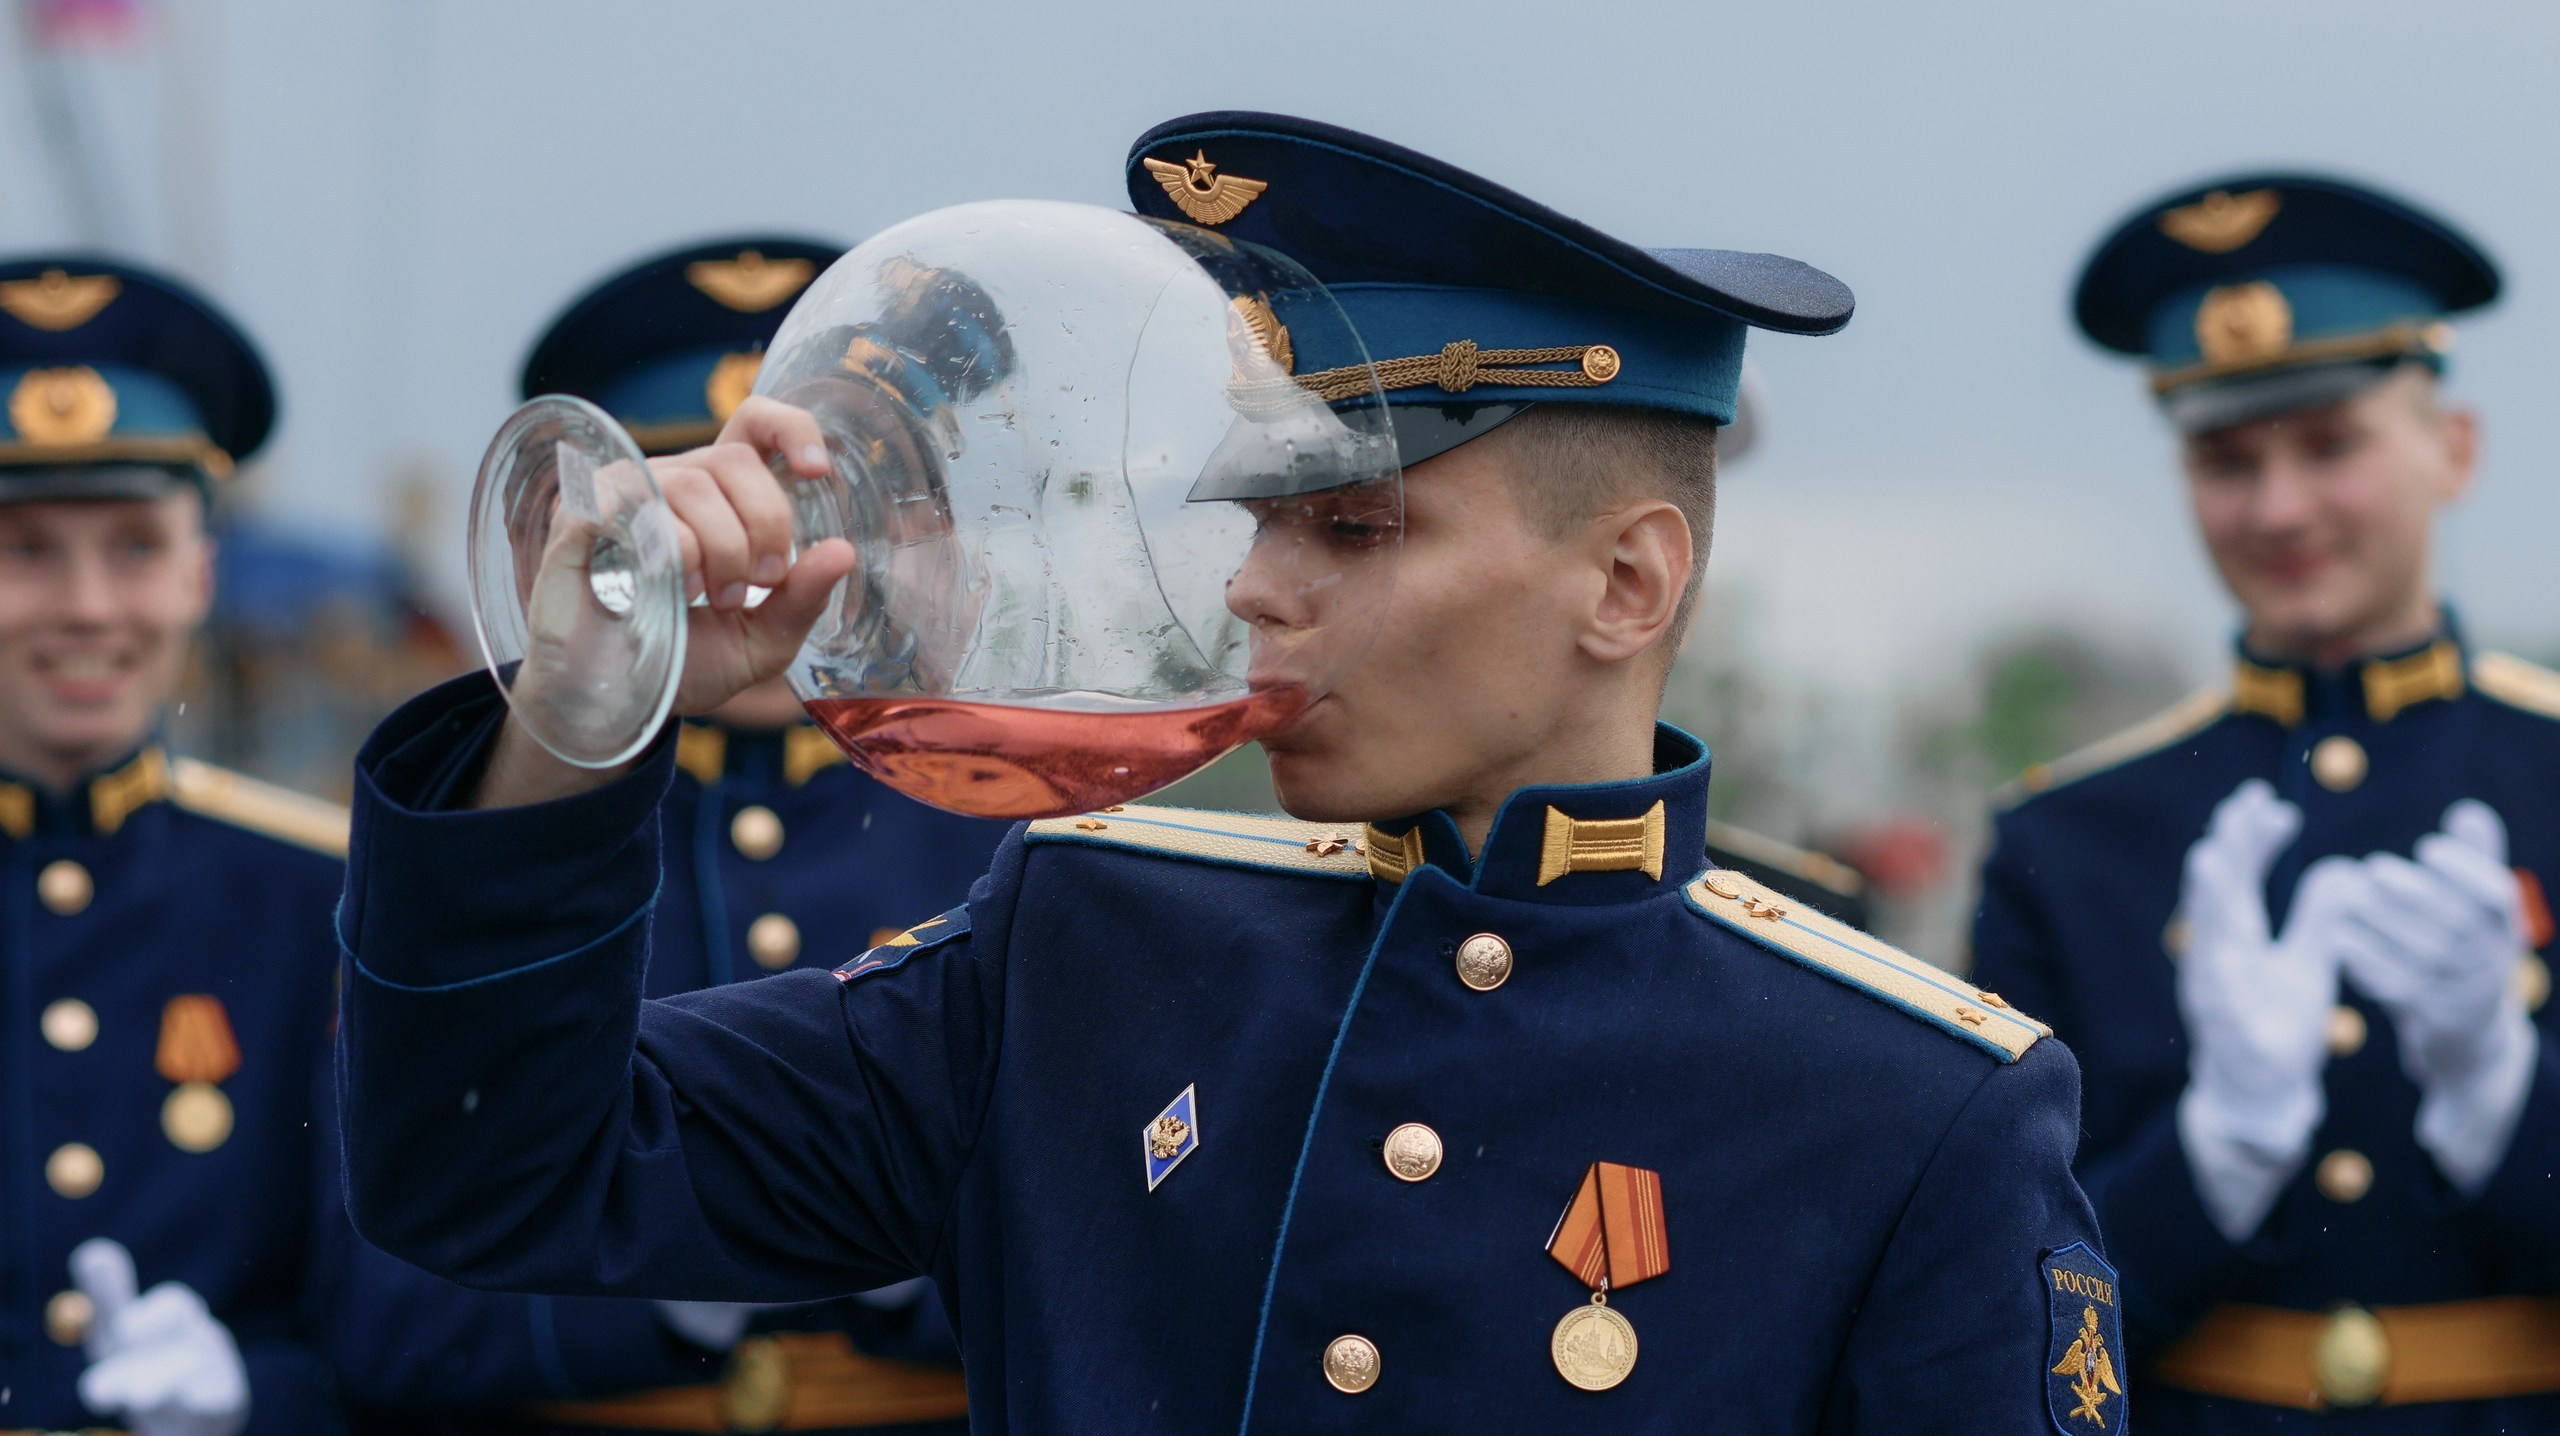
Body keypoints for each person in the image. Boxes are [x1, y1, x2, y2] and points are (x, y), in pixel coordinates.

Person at [336, 114, 2111, 1432]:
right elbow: (492, 1171)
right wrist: (583, 713)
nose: (1259, 585)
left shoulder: (1912, 1104)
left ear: (1627, 583)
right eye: (1254, 515)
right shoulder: (1089, 941)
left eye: (1353, 522)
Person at [326, 237, 997, 1435]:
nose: (754, 558)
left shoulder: (1012, 833)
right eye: (694, 511)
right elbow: (389, 1304)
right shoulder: (501, 837)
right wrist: (674, 1291)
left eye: (814, 498)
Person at [1972, 174, 2560, 1427]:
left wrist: (2507, 1099)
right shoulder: (2067, 838)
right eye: (2225, 460)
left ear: (2453, 450)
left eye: (2331, 443)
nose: (2278, 508)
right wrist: (2216, 1153)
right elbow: (1998, 1306)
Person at [0, 256, 352, 1434]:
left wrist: (260, 1396)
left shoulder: (325, 897)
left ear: (203, 569)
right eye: (26, 547)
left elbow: (396, 1314)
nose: (89, 606)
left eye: (136, 546)